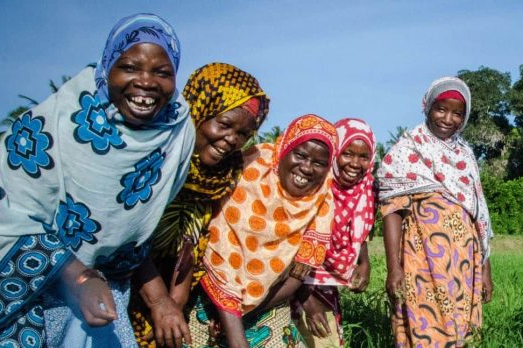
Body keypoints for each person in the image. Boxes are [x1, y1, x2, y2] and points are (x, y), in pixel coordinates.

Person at [0, 13, 194, 347]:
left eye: (162, 72)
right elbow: (5, 215)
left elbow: (132, 237)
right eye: (129, 67)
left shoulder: (175, 136)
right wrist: (78, 276)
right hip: (27, 301)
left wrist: (159, 301)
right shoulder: (50, 125)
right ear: (106, 68)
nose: (145, 82)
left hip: (104, 302)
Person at [129, 62, 270, 348]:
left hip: (170, 290)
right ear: (198, 111)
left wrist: (175, 304)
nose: (232, 140)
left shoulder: (222, 173)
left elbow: (191, 242)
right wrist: (160, 302)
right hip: (118, 281)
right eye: (224, 124)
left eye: (243, 134)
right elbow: (128, 236)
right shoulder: (153, 158)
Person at [189, 114, 337, 348]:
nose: (307, 168)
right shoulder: (249, 170)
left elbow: (297, 277)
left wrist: (246, 311)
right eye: (300, 155)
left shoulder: (322, 203)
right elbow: (217, 252)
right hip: (206, 299)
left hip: (269, 302)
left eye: (319, 163)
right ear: (283, 149)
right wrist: (232, 319)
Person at [377, 77, 495, 347]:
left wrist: (486, 269)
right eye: (441, 109)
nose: (448, 118)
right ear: (428, 107)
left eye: (457, 113)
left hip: (464, 262)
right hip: (422, 258)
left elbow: (479, 215)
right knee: (423, 323)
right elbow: (392, 211)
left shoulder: (465, 153)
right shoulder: (408, 149)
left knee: (459, 330)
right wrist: (394, 268)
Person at [295, 118, 376, 347]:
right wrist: (307, 300)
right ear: (335, 152)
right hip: (289, 285)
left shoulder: (365, 189)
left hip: (326, 289)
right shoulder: (313, 183)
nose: (355, 163)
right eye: (347, 153)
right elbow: (288, 245)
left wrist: (364, 262)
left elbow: (360, 232)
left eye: (364, 157)